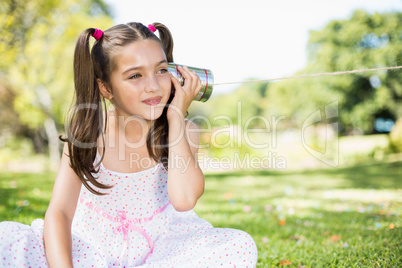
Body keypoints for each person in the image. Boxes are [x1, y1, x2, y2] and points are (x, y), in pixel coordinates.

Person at [0, 22, 258, 267]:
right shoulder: (88, 136)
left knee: (238, 245)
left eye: (161, 70)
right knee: (7, 239)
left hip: (162, 252)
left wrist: (176, 117)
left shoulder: (184, 132)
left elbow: (184, 199)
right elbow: (60, 214)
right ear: (106, 88)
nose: (153, 86)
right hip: (91, 250)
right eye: (135, 75)